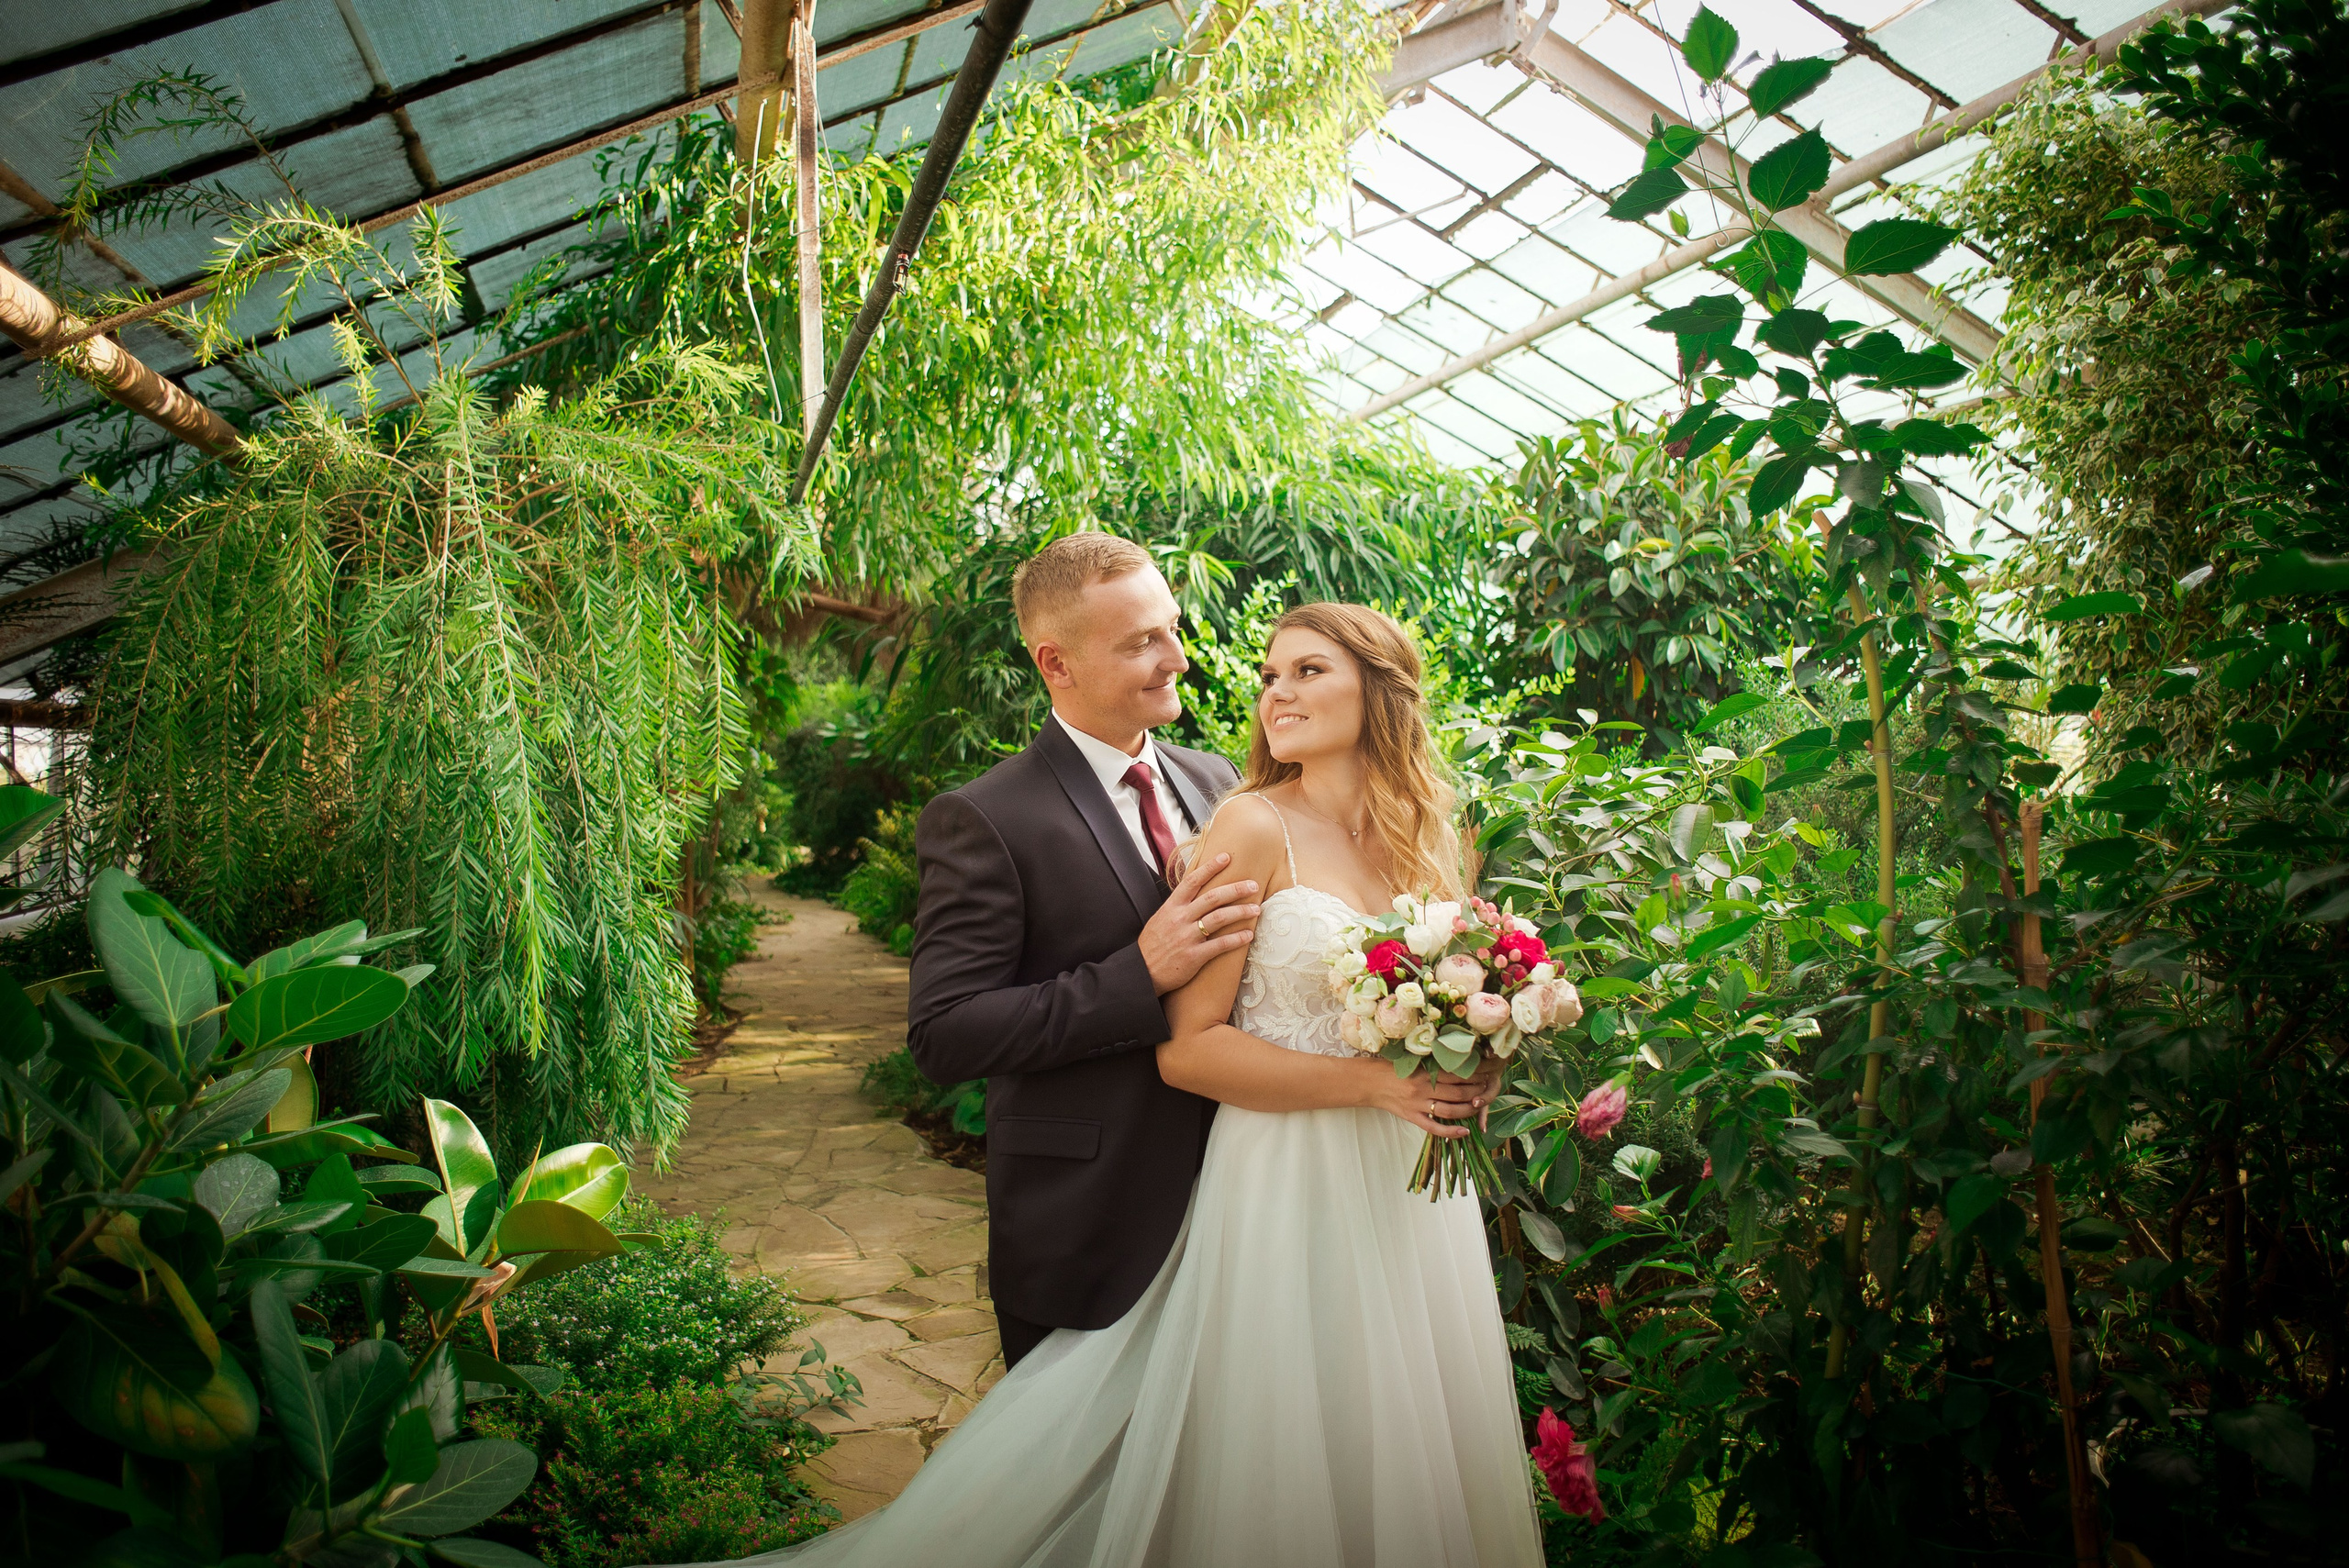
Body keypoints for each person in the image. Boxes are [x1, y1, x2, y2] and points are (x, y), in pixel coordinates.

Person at [688, 587, 1540, 1568]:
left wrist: (1470, 1038)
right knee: (1218, 1456)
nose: (1195, 663)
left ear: (1381, 691)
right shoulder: (1052, 814)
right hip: (1194, 1182)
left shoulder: (1268, 792)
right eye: (1270, 672)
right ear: (1058, 662)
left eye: (1302, 669)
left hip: (1393, 1184)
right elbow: (958, 1032)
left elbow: (1434, 984)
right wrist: (1142, 974)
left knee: (1390, 1416)